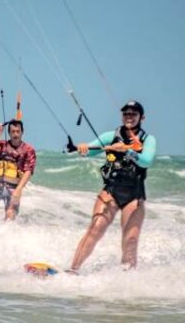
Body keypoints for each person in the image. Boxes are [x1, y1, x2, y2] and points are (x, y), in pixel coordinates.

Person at [67, 101, 157, 274]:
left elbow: (147, 161)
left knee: (130, 239)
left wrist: (127, 150)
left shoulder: (148, 139)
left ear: (141, 117)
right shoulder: (111, 135)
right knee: (96, 228)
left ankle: (127, 278)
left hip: (134, 195)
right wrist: (82, 148)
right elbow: (92, 149)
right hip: (111, 190)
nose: (129, 117)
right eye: (126, 114)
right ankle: (73, 270)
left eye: (133, 114)